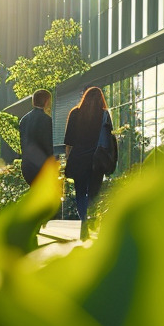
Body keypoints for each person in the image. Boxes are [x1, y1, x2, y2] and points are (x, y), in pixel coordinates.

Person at [62, 86, 110, 237]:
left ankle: (84, 222)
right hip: (97, 160)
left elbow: (68, 141)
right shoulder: (104, 114)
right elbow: (108, 138)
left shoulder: (75, 113)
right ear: (101, 99)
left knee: (81, 193)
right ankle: (91, 219)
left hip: (79, 158)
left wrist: (69, 159)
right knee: (94, 194)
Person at [18, 89, 55, 185]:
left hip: (27, 165)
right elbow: (48, 144)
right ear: (46, 101)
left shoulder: (24, 120)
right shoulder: (47, 120)